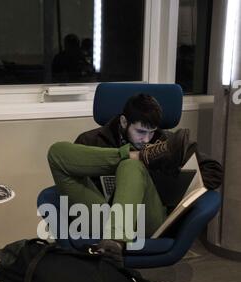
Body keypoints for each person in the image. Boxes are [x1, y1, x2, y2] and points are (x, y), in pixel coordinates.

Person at [47, 94, 223, 266]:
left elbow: (214, 170)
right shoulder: (90, 140)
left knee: (131, 166)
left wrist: (176, 178)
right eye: (140, 131)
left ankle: (115, 242)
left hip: (146, 220)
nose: (146, 139)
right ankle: (137, 156)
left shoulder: (168, 143)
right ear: (124, 122)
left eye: (151, 133)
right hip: (101, 215)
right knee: (56, 152)